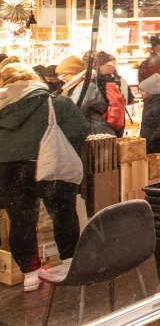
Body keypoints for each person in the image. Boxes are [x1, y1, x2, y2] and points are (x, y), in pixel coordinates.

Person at [0, 63, 89, 291]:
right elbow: (81, 128)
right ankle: (69, 262)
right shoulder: (55, 102)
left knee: (20, 220)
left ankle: (31, 274)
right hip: (50, 165)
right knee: (62, 212)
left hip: (9, 170)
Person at [58, 53, 124, 137]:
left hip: (97, 133)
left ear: (74, 72)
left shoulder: (85, 86)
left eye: (64, 74)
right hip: (94, 130)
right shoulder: (78, 85)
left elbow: (75, 108)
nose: (62, 78)